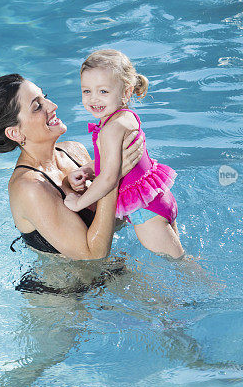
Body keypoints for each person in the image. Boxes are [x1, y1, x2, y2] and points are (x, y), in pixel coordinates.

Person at [0, 73, 143, 260]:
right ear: (15, 133)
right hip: (64, 293)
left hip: (111, 271)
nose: (52, 105)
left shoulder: (74, 151)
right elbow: (93, 254)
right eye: (37, 106)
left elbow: (115, 219)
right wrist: (111, 176)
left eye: (44, 96)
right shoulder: (29, 188)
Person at [63, 50, 184, 259]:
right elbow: (113, 161)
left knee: (183, 267)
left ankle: (213, 288)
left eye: (103, 91)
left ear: (126, 92)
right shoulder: (124, 117)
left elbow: (110, 177)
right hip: (158, 197)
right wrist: (87, 170)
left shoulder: (111, 128)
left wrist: (77, 203)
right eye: (86, 91)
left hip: (145, 213)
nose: (93, 99)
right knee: (180, 259)